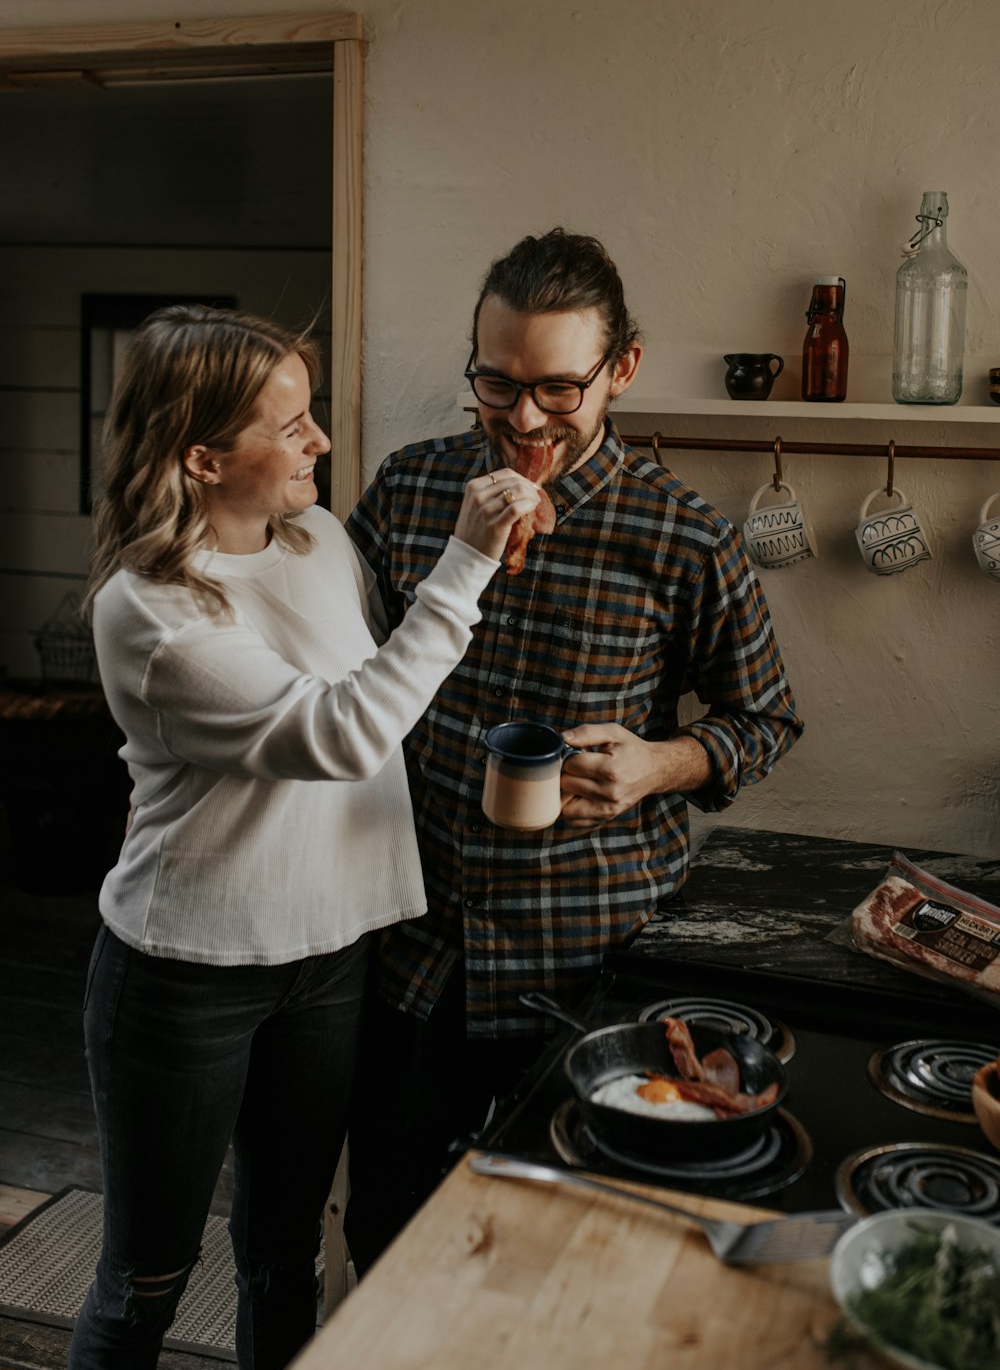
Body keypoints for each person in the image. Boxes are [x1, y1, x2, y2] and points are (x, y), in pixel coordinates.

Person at [68, 303, 539, 1370]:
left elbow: (382, 685)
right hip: (186, 977)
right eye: (289, 426)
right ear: (200, 457)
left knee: (285, 1250)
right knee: (146, 1276)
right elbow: (342, 731)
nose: (320, 441)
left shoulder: (321, 537)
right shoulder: (149, 613)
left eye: (310, 414)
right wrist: (462, 561)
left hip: (330, 957)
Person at [343, 227, 804, 1271]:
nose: (524, 418)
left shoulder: (684, 535)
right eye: (496, 385)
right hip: (411, 958)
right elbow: (332, 683)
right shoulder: (411, 491)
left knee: (558, 1264)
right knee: (390, 1242)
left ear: (621, 369)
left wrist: (659, 763)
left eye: (558, 388)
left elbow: (763, 720)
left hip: (583, 976)